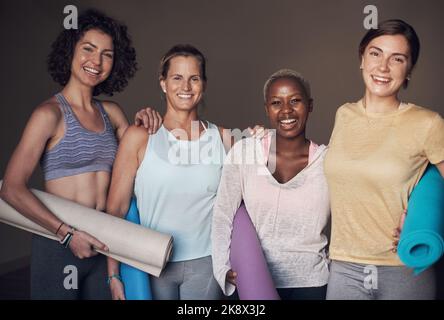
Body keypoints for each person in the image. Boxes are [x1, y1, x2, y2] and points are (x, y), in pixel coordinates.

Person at [0, 9, 159, 299]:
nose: (96, 62)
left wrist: (149, 121)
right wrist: (66, 233)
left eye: (107, 54)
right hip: (59, 244)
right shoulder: (48, 114)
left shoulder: (111, 113)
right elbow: (11, 188)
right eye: (88, 49)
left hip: (105, 243)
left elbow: (149, 159)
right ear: (70, 50)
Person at [324, 19, 444, 300]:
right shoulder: (344, 114)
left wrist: (424, 218)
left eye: (397, 59)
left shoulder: (428, 123)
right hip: (344, 266)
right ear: (361, 59)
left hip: (404, 267)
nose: (383, 67)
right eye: (375, 54)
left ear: (409, 69)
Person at [106, 44, 233, 300]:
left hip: (206, 264)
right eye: (177, 78)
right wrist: (113, 274)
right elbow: (115, 211)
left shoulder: (224, 138)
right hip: (151, 264)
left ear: (204, 84)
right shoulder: (139, 137)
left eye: (194, 78)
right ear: (163, 83)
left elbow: (238, 207)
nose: (185, 87)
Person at [211, 69, 331, 300]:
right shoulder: (245, 153)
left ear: (310, 105)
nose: (286, 110)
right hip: (252, 280)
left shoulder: (327, 162)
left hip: (313, 284)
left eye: (295, 100)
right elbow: (222, 215)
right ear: (267, 109)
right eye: (277, 102)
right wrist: (222, 268)